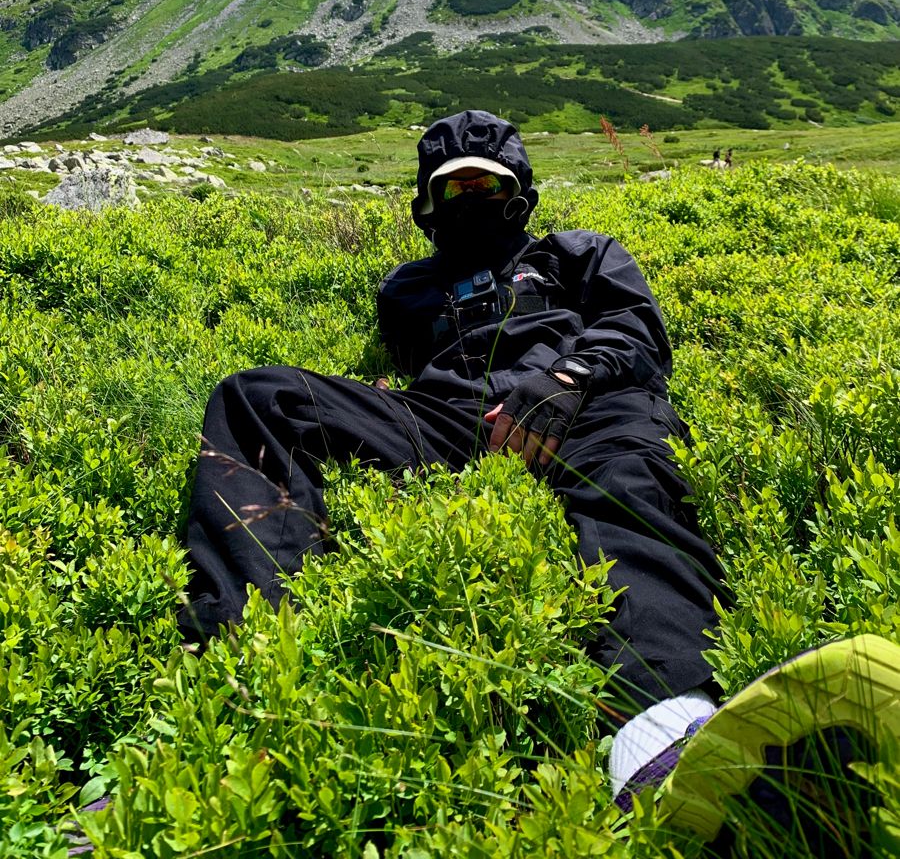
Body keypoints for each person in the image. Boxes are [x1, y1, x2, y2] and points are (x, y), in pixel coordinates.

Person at [176, 109, 894, 848]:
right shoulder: (406, 290)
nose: (471, 198)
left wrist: (568, 375)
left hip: (590, 405)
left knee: (629, 495)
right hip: (457, 424)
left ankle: (669, 729)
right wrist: (395, 409)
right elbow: (407, 363)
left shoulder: (578, 254)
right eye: (452, 188)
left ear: (519, 192)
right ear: (427, 202)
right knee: (257, 396)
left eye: (488, 183)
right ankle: (243, 674)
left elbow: (638, 328)